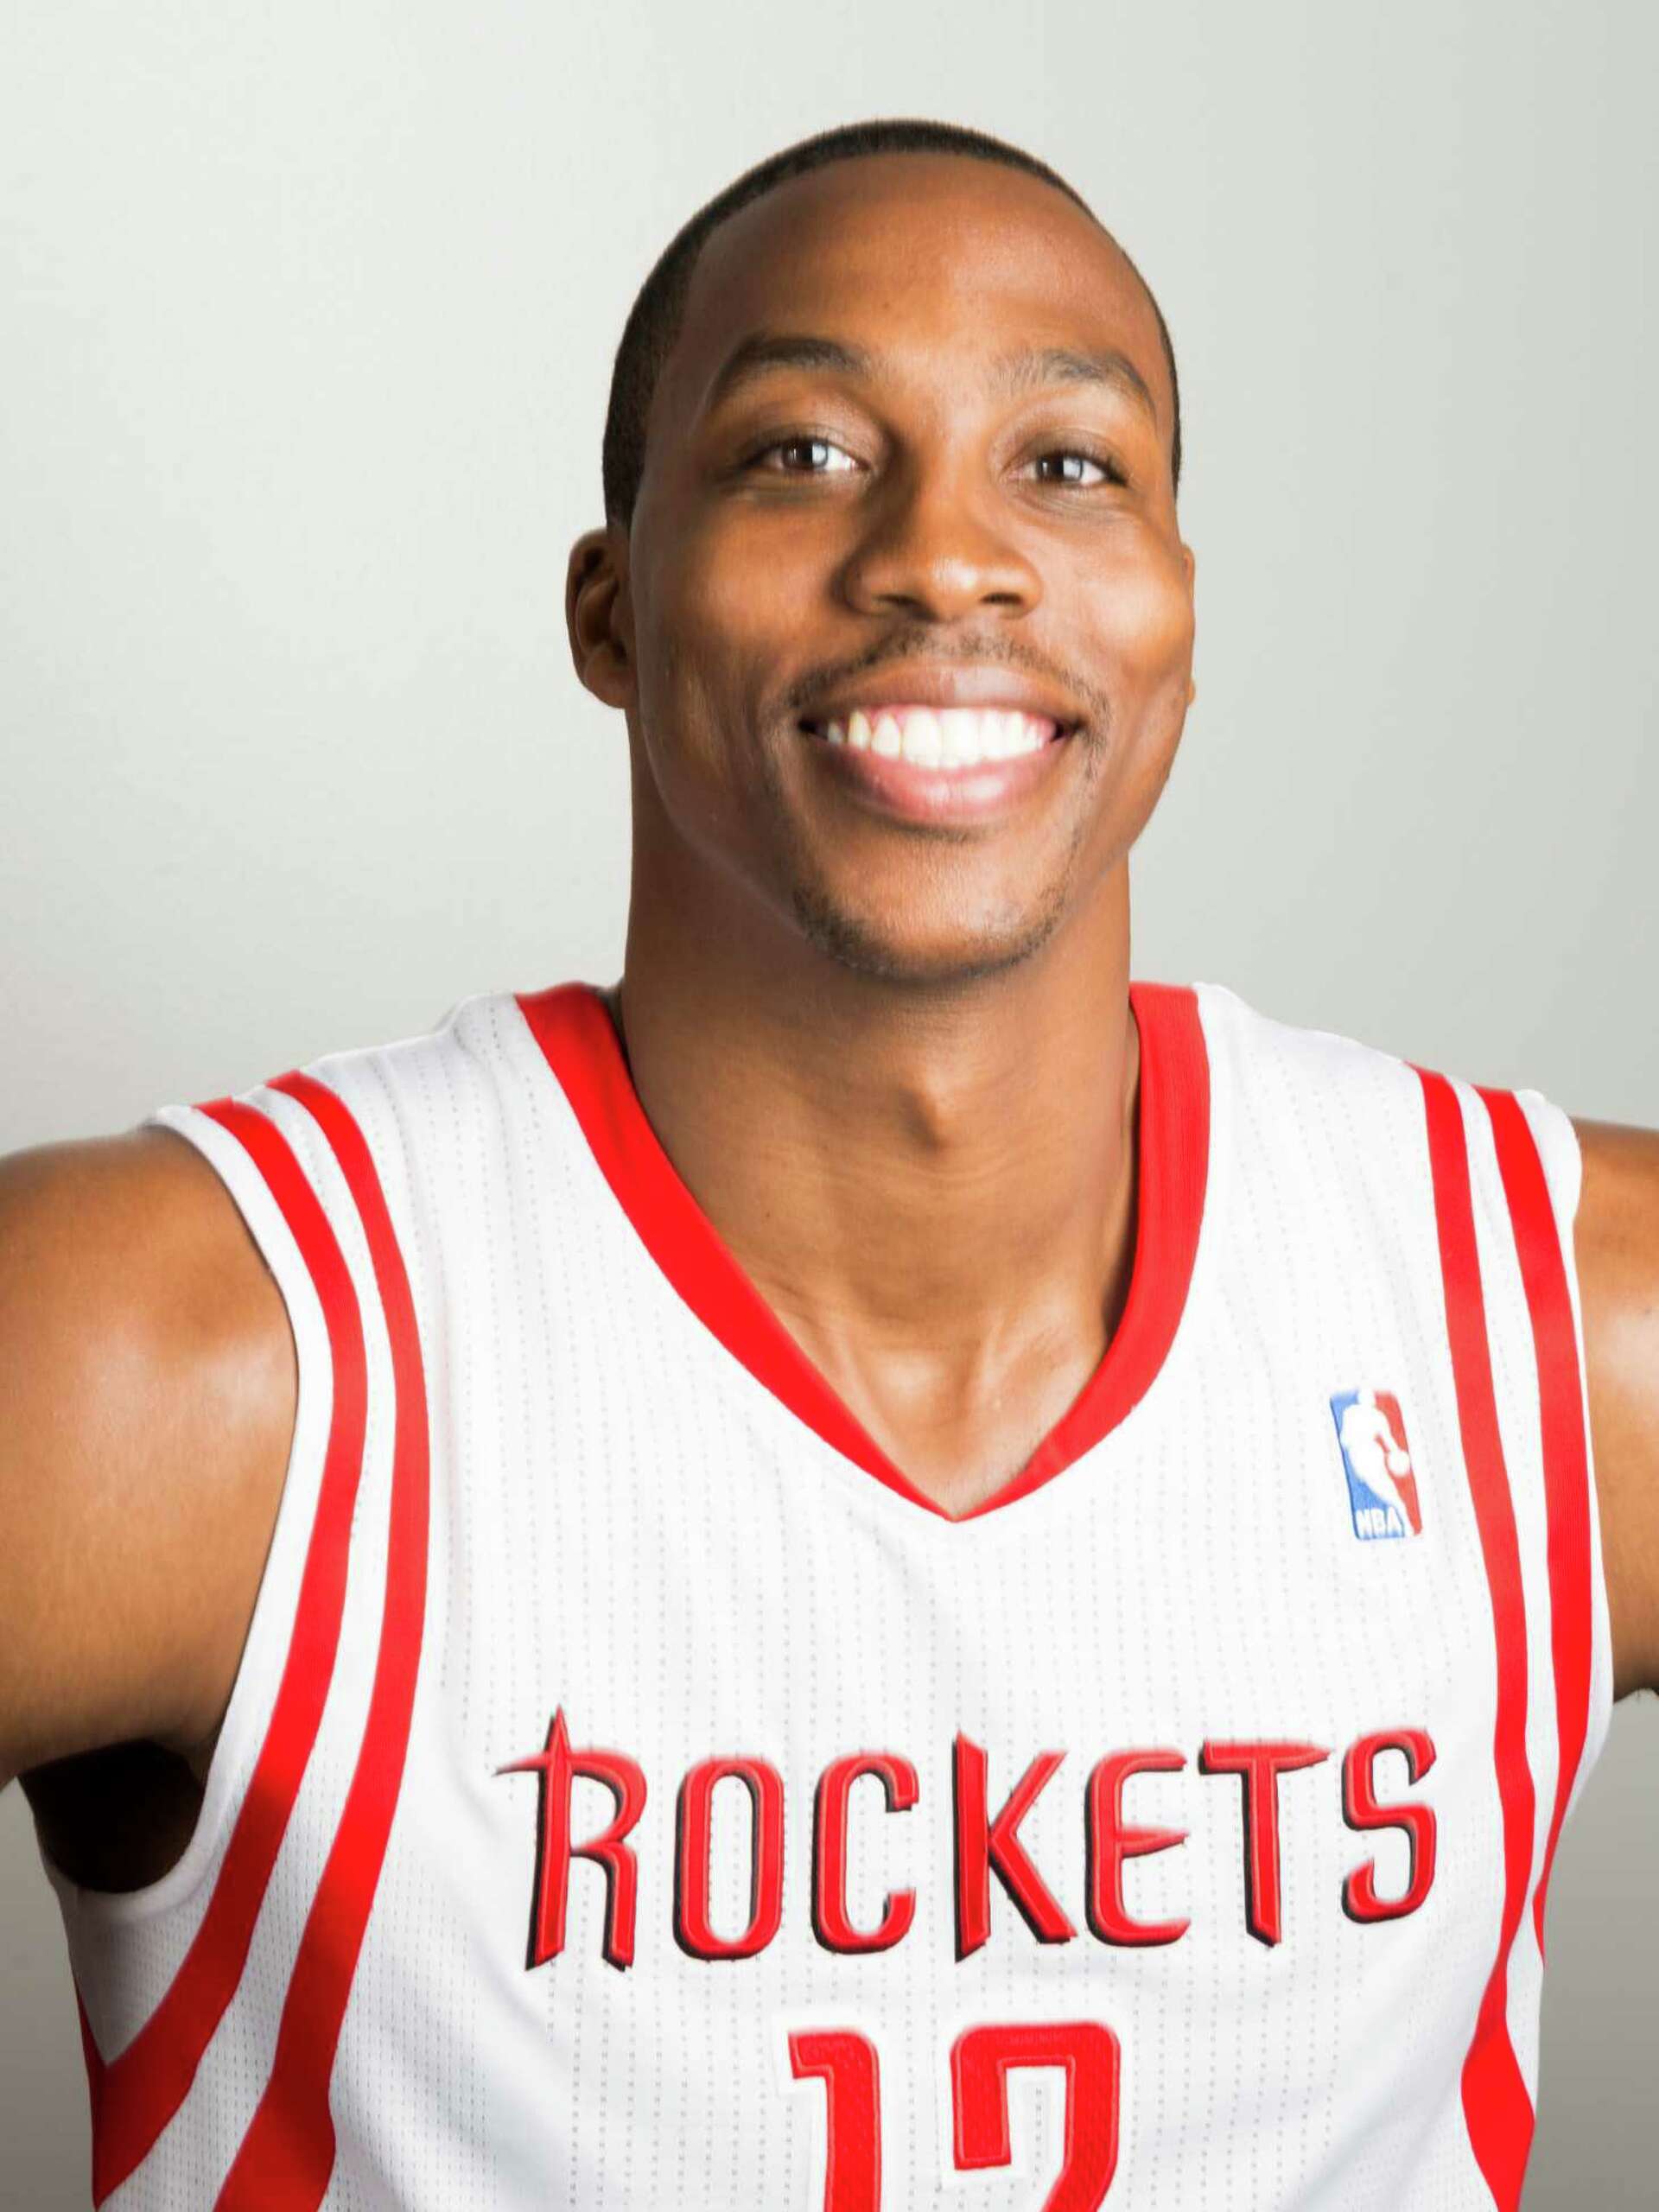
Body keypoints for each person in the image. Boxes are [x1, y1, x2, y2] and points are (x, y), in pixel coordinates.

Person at [1, 112, 1654, 2212]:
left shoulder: (1561, 1327)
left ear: (1180, 618)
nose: (944, 557)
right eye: (800, 453)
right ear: (612, 609)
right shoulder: (193, 1356)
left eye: (1070, 464)